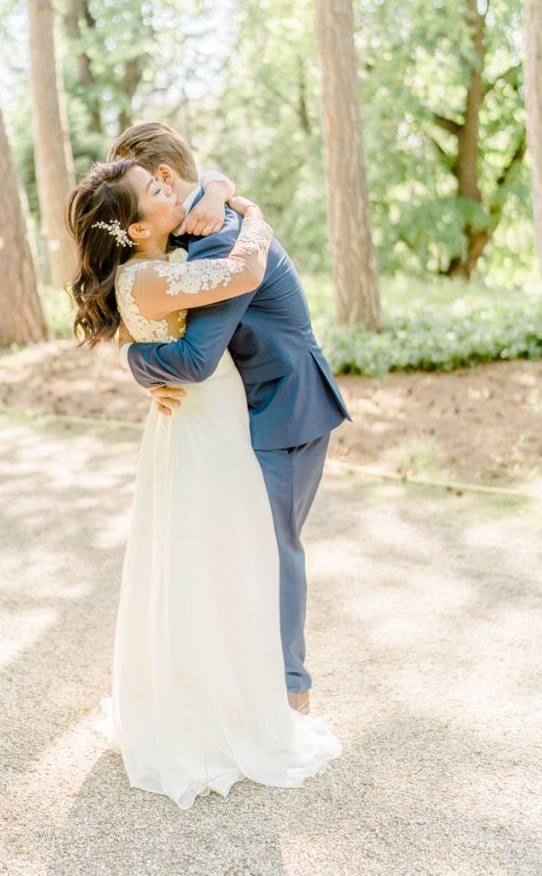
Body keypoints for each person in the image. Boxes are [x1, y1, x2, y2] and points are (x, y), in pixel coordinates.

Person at [65, 158, 343, 810]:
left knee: (209, 559)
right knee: (226, 560)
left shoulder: (165, 259)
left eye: (164, 180)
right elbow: (217, 315)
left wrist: (221, 188)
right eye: (152, 190)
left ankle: (222, 691)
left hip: (211, 424)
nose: (168, 186)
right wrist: (254, 213)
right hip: (205, 426)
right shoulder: (165, 271)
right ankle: (233, 707)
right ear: (133, 229)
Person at [107, 122, 352, 716]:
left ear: (165, 179)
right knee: (238, 546)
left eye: (143, 182)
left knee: (275, 547)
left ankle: (292, 690)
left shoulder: (221, 238)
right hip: (243, 409)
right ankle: (238, 678)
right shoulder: (205, 223)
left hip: (284, 407)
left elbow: (192, 359)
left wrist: (137, 359)